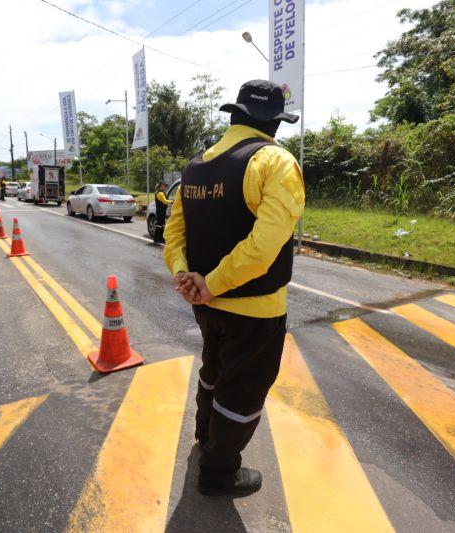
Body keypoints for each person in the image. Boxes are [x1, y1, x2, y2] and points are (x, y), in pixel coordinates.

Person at [163, 79, 305, 496]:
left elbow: (174, 236)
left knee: (213, 370)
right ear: (274, 124)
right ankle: (219, 472)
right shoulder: (276, 162)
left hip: (204, 305)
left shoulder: (195, 166)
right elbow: (263, 249)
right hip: (254, 309)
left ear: (235, 114)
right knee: (241, 390)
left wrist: (187, 277)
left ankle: (205, 435)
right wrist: (211, 285)